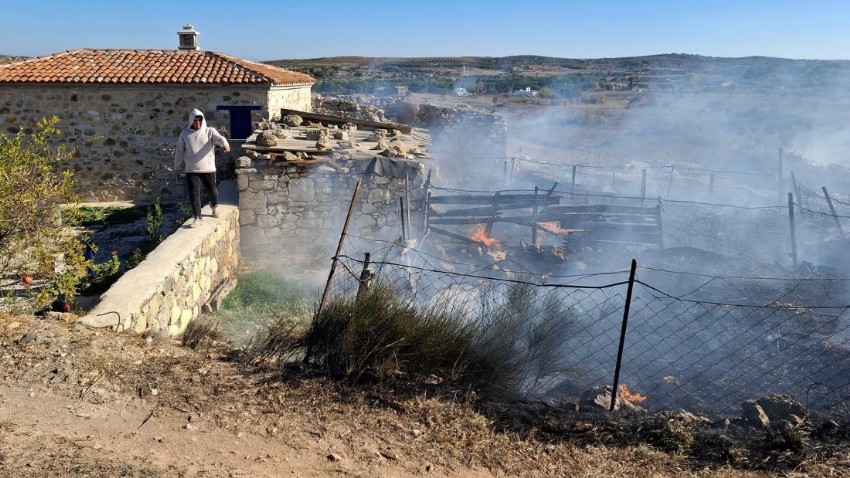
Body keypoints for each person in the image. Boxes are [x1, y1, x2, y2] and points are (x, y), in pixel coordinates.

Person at [174, 108, 230, 227]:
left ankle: (214, 206)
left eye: (199, 120)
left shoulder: (209, 131)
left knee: (213, 192)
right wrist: (177, 166)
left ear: (202, 120)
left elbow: (219, 138)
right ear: (191, 121)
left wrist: (225, 144)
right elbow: (179, 150)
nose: (197, 123)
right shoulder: (184, 134)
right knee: (194, 194)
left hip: (208, 169)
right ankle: (197, 217)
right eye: (195, 121)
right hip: (191, 170)